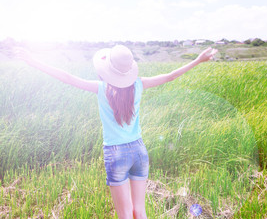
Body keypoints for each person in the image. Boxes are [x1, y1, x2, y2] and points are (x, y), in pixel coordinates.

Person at [16, 45, 217, 219]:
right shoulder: (139, 84)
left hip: (115, 153)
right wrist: (198, 60)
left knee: (125, 214)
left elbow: (67, 78)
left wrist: (33, 61)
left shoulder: (101, 88)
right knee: (140, 210)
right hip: (139, 151)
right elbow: (171, 76)